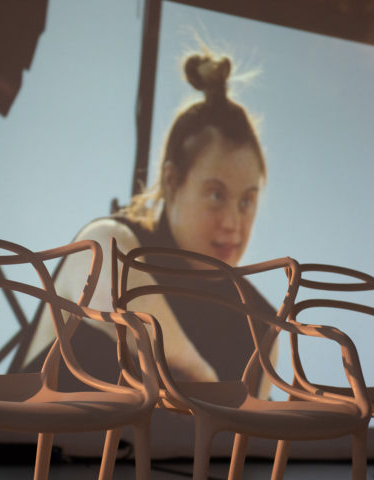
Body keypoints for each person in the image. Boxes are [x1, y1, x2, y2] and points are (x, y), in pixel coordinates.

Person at [20, 50, 278, 392]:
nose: (233, 222)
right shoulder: (108, 242)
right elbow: (136, 318)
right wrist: (207, 385)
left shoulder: (261, 325)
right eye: (216, 195)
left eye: (247, 200)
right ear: (172, 181)